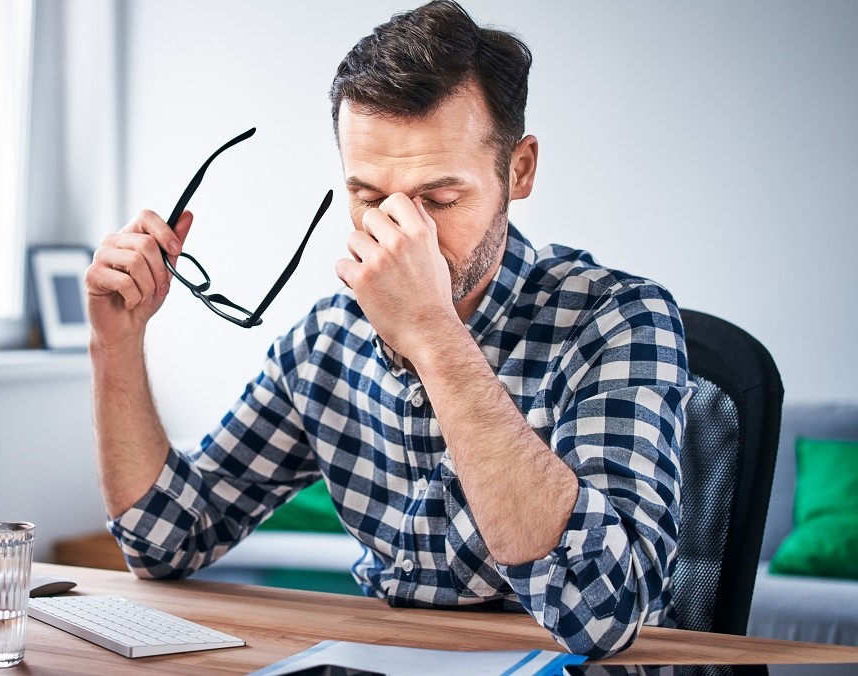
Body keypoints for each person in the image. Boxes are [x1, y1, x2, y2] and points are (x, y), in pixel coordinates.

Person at [84, 0, 692, 659]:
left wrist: (433, 334)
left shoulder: (616, 320)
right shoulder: (326, 344)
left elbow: (602, 612)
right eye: (369, 197)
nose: (404, 232)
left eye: (439, 198)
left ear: (518, 171)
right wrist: (116, 345)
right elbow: (164, 539)